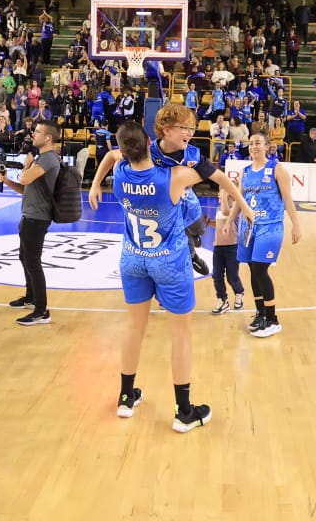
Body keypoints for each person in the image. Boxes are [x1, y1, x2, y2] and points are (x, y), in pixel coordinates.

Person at [95, 121, 250, 432]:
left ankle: (126, 397)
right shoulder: (174, 177)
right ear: (151, 140)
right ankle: (184, 411)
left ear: (125, 149)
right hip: (169, 263)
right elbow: (215, 174)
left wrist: (97, 184)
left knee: (135, 328)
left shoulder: (122, 172)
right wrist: (244, 206)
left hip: (133, 259)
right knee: (180, 336)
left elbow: (110, 158)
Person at [89, 103, 252, 278]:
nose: (191, 132)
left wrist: (245, 206)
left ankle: (196, 234)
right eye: (185, 128)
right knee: (177, 244)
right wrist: (95, 184)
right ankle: (191, 257)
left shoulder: (193, 155)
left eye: (192, 128)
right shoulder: (147, 152)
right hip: (164, 213)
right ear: (167, 130)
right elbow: (112, 155)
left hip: (189, 205)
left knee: (198, 229)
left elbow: (220, 177)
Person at [0, 119, 60, 326]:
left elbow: (25, 178)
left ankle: (42, 311)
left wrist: (27, 164)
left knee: (33, 262)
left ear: (48, 137)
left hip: (37, 218)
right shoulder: (42, 159)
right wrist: (6, 181)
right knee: (24, 257)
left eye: (38, 132)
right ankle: (31, 296)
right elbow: (25, 189)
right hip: (29, 215)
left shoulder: (48, 159)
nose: (34, 134)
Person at [238, 131, 302, 338]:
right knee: (252, 270)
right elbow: (240, 201)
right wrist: (229, 222)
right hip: (249, 228)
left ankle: (273, 319)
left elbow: (288, 199)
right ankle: (260, 313)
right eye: (251, 143)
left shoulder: (277, 169)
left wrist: (296, 225)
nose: (253, 146)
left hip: (270, 226)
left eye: (258, 143)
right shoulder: (245, 171)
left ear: (267, 146)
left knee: (260, 269)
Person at [208, 191, 246, 315]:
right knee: (217, 275)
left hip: (232, 248)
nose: (219, 195)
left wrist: (224, 195)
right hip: (218, 247)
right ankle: (222, 300)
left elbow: (226, 213)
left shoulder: (236, 207)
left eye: (222, 192)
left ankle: (239, 292)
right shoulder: (219, 208)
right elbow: (220, 223)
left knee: (232, 276)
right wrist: (209, 222)